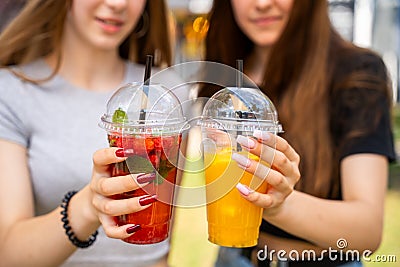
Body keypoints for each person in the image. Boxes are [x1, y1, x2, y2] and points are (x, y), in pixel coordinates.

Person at [198, 0, 396, 266]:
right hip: (234, 257)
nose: (262, 4)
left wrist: (281, 205)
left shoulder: (356, 73)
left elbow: (367, 231)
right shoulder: (225, 77)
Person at [0, 0, 188, 266]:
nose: (117, 4)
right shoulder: (11, 92)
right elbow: (8, 255)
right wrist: (89, 205)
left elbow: (162, 243)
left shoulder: (170, 92)